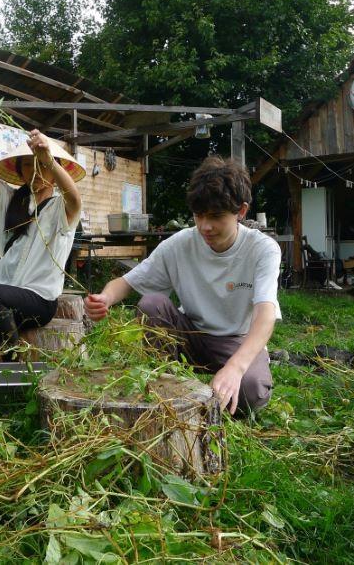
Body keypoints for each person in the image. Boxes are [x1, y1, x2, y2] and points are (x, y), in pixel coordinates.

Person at [84, 156, 280, 416]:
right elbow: (127, 282)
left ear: (241, 211)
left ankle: (229, 374)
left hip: (236, 340)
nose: (205, 226)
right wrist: (105, 298)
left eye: (216, 216)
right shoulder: (180, 244)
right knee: (152, 304)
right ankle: (164, 381)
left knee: (250, 393)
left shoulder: (262, 249)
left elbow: (265, 313)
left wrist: (236, 367)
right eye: (198, 215)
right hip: (191, 336)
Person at [0, 99, 84, 361]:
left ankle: (12, 358)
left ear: (54, 170)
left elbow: (75, 197)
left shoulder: (62, 208)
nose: (36, 169)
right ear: (21, 170)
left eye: (41, 164)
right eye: (29, 164)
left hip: (39, 300)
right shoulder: (12, 200)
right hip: (4, 291)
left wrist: (48, 159)